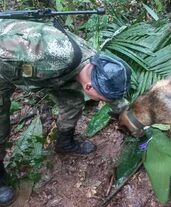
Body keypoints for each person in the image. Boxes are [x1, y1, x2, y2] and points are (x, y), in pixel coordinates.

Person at [0, 18, 131, 206]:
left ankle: (65, 143)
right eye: (102, 99)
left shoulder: (97, 64)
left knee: (73, 102)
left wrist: (131, 116)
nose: (104, 102)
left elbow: (113, 95)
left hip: (49, 74)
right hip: (4, 64)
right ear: (89, 86)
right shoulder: (50, 54)